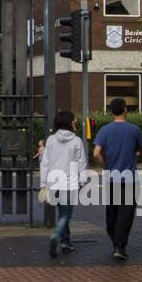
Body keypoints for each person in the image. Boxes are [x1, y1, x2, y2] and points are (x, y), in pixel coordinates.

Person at [93, 98, 142, 261]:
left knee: (113, 211)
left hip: (112, 177)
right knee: (126, 213)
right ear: (125, 110)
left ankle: (115, 240)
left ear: (111, 111)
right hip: (129, 178)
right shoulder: (134, 130)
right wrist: (134, 155)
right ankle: (120, 245)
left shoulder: (104, 130)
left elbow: (96, 153)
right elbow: (141, 151)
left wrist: (105, 165)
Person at [40, 110, 87, 259]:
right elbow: (82, 163)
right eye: (73, 120)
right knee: (66, 214)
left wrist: (43, 182)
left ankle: (66, 242)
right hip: (69, 183)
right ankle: (56, 235)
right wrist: (82, 180)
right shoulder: (76, 141)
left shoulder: (51, 140)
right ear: (69, 122)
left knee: (62, 214)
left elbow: (45, 163)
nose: (75, 122)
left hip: (53, 182)